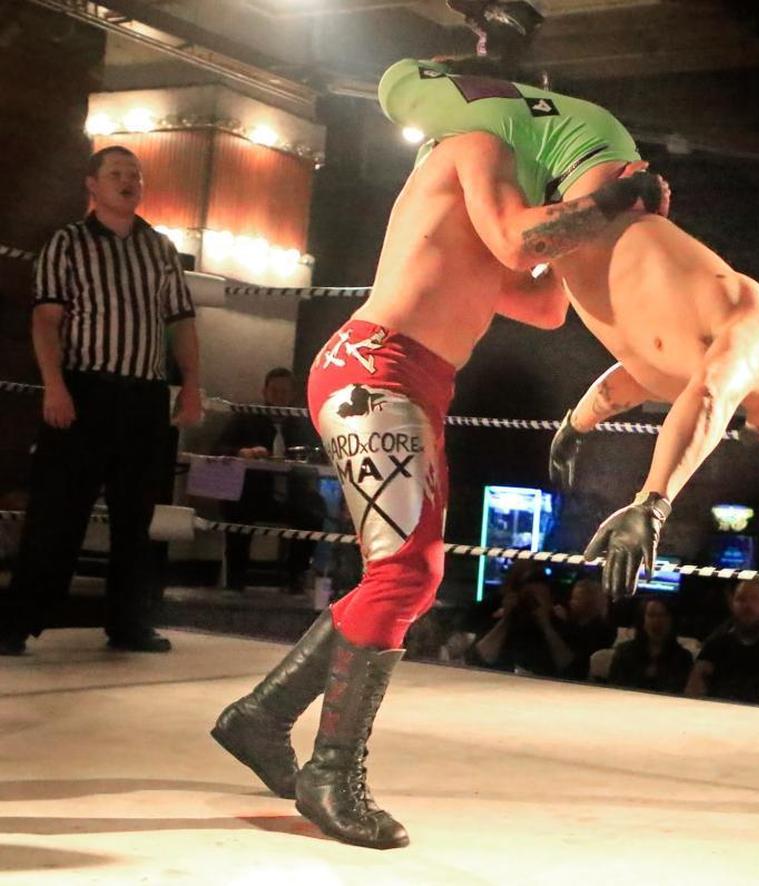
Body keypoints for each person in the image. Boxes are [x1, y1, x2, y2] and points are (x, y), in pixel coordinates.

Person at [211, 66, 670, 849]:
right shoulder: (475, 144)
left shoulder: (513, 197)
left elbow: (545, 305)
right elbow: (516, 242)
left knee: (406, 579)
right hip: (374, 369)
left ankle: (262, 716)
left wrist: (598, 223)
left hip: (413, 383)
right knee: (405, 575)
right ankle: (330, 771)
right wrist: (608, 204)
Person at [378, 55, 759, 600]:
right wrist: (654, 503)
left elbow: (635, 378)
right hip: (582, 157)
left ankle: (502, 74)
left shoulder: (720, 366)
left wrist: (576, 426)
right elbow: (708, 400)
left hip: (557, 194)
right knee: (397, 90)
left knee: (539, 306)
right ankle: (492, 57)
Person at [0, 146, 202, 657]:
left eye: (135, 174)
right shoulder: (67, 242)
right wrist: (54, 385)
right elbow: (46, 320)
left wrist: (192, 383)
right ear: (92, 184)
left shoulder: (160, 248)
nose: (128, 181)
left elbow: (181, 321)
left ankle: (129, 622)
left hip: (144, 394)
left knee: (136, 516)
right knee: (56, 512)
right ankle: (16, 622)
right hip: (84, 389)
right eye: (116, 173)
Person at [213, 367, 325, 593]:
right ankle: (236, 579)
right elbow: (217, 449)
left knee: (315, 509)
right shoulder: (247, 417)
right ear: (264, 392)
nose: (279, 396)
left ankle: (296, 577)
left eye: (285, 392)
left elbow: (319, 453)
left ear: (292, 394)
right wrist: (243, 452)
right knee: (236, 509)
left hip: (293, 496)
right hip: (252, 493)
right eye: (275, 391)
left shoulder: (302, 422)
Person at [608, 597, 693, 694]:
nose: (657, 621)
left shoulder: (683, 658)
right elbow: (615, 687)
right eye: (651, 615)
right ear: (642, 621)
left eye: (663, 615)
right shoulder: (624, 652)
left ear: (671, 621)